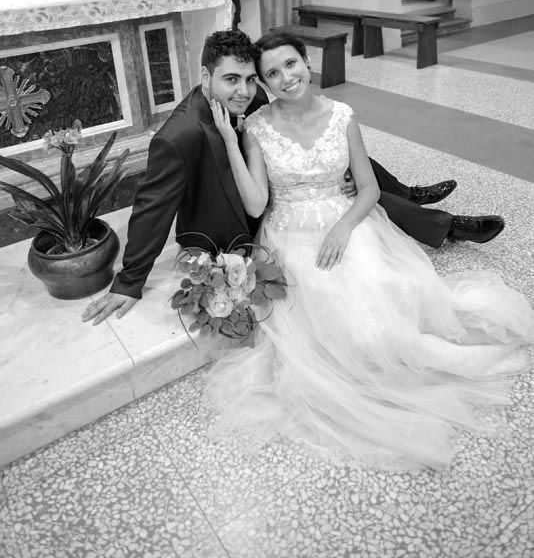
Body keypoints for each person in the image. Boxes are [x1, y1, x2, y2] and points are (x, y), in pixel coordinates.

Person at [206, 31, 533, 471]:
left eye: (291, 64)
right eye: (273, 73)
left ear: (307, 61)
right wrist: (231, 141)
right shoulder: (257, 129)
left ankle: (406, 346)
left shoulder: (342, 115)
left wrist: (343, 228)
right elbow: (256, 204)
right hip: (290, 233)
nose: (286, 78)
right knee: (339, 315)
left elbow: (369, 189)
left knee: (386, 288)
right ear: (264, 83)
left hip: (346, 221)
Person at [82, 29, 503, 326]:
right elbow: (152, 207)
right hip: (243, 215)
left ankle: (413, 199)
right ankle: (434, 217)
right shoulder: (179, 136)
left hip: (285, 186)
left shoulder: (252, 97)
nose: (243, 91)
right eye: (230, 80)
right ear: (205, 77)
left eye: (250, 79)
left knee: (337, 165)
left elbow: (306, 139)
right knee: (330, 182)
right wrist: (130, 281)